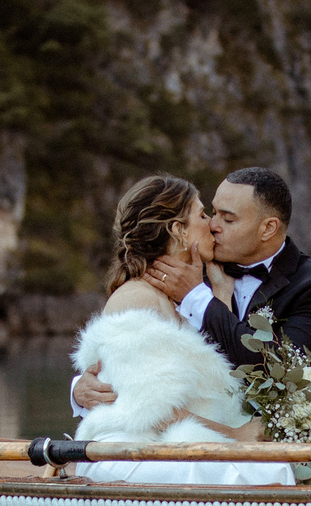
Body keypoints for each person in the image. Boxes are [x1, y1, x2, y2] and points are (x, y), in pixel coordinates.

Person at [69, 175, 294, 489]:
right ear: (178, 231)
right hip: (129, 451)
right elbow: (152, 409)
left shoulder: (189, 298)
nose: (212, 224)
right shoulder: (137, 298)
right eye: (202, 215)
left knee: (271, 470)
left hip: (165, 442)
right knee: (256, 474)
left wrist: (221, 294)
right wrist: (236, 437)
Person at [73, 167, 311, 414]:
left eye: (228, 219)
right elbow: (126, 352)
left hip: (268, 434)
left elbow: (284, 369)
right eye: (211, 213)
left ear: (267, 228)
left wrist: (198, 298)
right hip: (187, 434)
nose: (213, 225)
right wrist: (81, 388)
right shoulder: (182, 268)